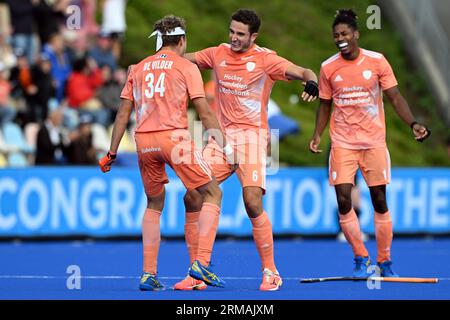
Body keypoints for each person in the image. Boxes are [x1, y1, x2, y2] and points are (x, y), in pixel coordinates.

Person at [180, 9, 319, 291]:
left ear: (253, 36)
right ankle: (197, 273)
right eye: (231, 31)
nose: (233, 38)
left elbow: (303, 71)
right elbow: (182, 60)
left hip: (253, 140)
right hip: (220, 140)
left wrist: (312, 81)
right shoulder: (217, 53)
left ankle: (271, 271)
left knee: (252, 202)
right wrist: (163, 57)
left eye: (240, 34)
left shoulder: (266, 59)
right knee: (193, 195)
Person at [98, 15, 236, 291]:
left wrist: (111, 152)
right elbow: (204, 111)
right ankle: (202, 263)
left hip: (144, 141)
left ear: (159, 40)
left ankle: (148, 274)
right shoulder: (185, 67)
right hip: (174, 139)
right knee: (212, 192)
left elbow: (123, 113)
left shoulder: (137, 68)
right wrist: (226, 147)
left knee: (153, 205)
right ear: (182, 40)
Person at [309, 9, 431, 278]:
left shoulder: (377, 62)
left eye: (345, 34)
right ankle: (361, 257)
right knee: (343, 199)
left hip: (373, 142)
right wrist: (318, 134)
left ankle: (385, 262)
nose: (340, 38)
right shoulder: (328, 67)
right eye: (336, 35)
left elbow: (395, 97)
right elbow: (325, 105)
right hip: (342, 143)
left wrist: (413, 123)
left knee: (379, 200)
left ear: (356, 35)